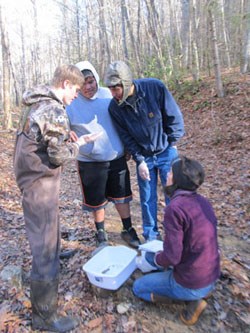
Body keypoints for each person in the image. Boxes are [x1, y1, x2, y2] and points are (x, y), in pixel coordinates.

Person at [13, 65, 100, 332]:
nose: (77, 95)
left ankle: (56, 251)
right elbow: (58, 156)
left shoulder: (36, 103)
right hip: (39, 184)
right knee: (44, 249)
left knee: (51, 228)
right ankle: (44, 316)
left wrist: (66, 137)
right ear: (65, 84)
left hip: (34, 180)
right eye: (75, 89)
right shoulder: (53, 110)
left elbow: (44, 141)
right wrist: (80, 143)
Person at [133, 156, 221, 325]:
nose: (167, 176)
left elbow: (172, 257)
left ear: (177, 181)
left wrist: (157, 259)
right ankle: (200, 291)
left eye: (171, 174)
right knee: (155, 258)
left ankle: (189, 301)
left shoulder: (175, 208)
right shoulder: (203, 201)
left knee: (138, 287)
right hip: (211, 274)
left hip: (191, 281)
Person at [104, 60, 185, 241]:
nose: (113, 93)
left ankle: (177, 236)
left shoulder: (154, 88)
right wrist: (139, 159)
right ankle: (151, 237)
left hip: (166, 151)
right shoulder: (114, 107)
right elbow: (125, 136)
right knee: (147, 198)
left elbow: (173, 116)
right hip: (144, 156)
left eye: (116, 88)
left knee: (174, 195)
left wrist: (172, 143)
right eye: (110, 88)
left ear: (126, 83)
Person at [66, 61, 141, 250]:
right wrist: (66, 132)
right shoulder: (71, 102)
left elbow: (124, 121)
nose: (88, 87)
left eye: (90, 81)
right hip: (89, 160)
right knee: (96, 199)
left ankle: (128, 228)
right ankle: (101, 232)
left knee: (122, 195)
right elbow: (61, 125)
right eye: (82, 83)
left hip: (115, 155)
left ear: (96, 79)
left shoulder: (109, 95)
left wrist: (127, 146)